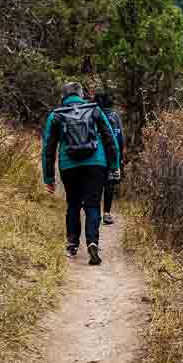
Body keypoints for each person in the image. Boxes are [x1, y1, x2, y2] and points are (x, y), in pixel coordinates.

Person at [42, 82, 121, 265]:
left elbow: (48, 148)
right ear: (81, 94)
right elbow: (110, 139)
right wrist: (114, 165)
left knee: (73, 204)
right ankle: (92, 242)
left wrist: (49, 178)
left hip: (69, 165)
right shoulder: (94, 109)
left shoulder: (56, 115)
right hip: (96, 163)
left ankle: (72, 244)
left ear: (63, 96)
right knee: (93, 205)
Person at [94, 91, 125, 225]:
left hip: (96, 155)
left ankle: (94, 213)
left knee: (95, 184)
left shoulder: (93, 114)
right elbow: (120, 137)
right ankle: (107, 213)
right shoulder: (115, 116)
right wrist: (120, 157)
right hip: (113, 154)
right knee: (109, 184)